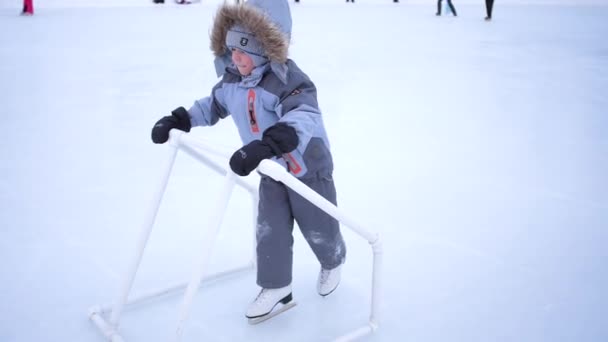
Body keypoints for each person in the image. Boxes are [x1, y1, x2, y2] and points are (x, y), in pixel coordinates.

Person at [150, 0, 347, 321]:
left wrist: (268, 144)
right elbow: (210, 106)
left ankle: (333, 259)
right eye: (231, 50)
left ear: (263, 49)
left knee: (317, 224)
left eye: (243, 50)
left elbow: (304, 115)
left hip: (306, 166)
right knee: (270, 228)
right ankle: (276, 286)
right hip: (270, 168)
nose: (236, 58)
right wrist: (180, 119)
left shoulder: (288, 80)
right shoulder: (233, 81)